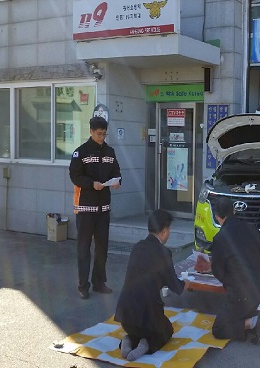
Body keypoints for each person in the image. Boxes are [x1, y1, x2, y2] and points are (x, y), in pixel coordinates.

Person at [114, 209, 187, 361]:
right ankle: (146, 345)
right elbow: (174, 285)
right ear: (164, 231)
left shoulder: (137, 247)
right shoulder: (163, 252)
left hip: (125, 316)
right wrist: (186, 283)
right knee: (167, 329)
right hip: (147, 319)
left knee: (138, 328)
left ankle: (128, 339)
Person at [69, 116, 121, 300]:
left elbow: (116, 171)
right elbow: (75, 176)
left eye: (104, 134)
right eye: (99, 134)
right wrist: (92, 184)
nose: (102, 137)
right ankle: (83, 285)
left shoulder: (109, 152)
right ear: (91, 131)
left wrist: (117, 181)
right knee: (84, 248)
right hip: (86, 208)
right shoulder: (81, 152)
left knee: (102, 247)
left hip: (103, 208)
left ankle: (99, 282)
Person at [210, 198, 260, 344]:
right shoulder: (251, 228)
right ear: (234, 210)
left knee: (219, 328)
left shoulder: (220, 238)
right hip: (258, 288)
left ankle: (255, 322)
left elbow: (217, 271)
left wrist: (230, 281)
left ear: (217, 217)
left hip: (240, 294)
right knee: (239, 313)